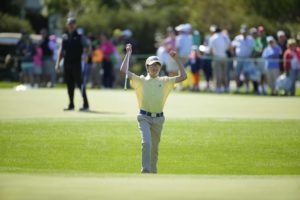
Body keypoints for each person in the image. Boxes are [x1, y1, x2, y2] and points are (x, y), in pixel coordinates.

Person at [120, 43, 187, 173]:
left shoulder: (165, 81)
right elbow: (123, 70)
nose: (155, 67)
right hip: (144, 117)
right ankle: (145, 170)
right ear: (147, 67)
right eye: (152, 65)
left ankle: (153, 172)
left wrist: (177, 59)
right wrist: (128, 53)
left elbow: (184, 76)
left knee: (154, 148)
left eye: (157, 65)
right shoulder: (140, 80)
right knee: (146, 143)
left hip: (158, 119)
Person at [55, 17, 90, 111]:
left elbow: (87, 46)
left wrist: (86, 55)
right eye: (69, 23)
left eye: (72, 23)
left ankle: (86, 104)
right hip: (67, 63)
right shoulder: (64, 36)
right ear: (67, 25)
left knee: (80, 83)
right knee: (69, 84)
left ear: (75, 25)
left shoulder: (79, 35)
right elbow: (61, 51)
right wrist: (57, 63)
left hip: (76, 63)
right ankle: (71, 105)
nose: (71, 25)